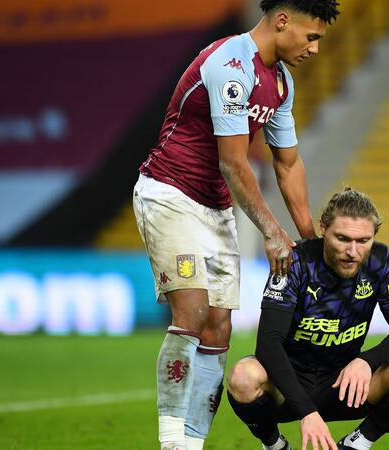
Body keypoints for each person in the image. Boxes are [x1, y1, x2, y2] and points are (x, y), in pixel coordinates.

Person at [132, 1, 341, 449]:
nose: (315, 49)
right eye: (312, 36)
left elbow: (288, 165)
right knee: (191, 313)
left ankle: (192, 443)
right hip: (170, 193)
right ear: (282, 21)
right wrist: (271, 231)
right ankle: (173, 444)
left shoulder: (281, 83)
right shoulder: (230, 65)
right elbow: (232, 163)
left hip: (217, 208)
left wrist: (310, 239)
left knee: (219, 329)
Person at [227, 188, 389, 450]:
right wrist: (307, 412)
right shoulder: (295, 261)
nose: (352, 251)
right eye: (342, 238)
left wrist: (366, 361)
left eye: (363, 240)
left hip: (346, 385)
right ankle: (275, 446)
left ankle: (358, 444)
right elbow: (268, 343)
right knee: (243, 377)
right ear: (323, 228)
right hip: (286, 387)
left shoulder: (381, 262)